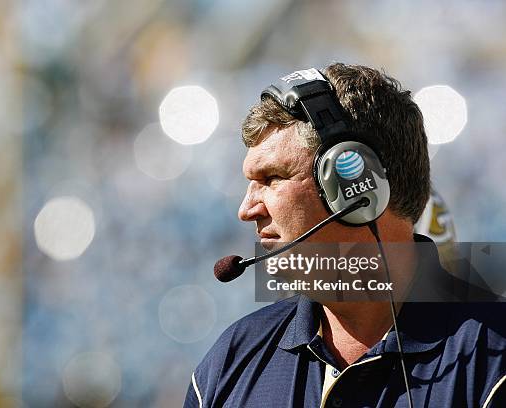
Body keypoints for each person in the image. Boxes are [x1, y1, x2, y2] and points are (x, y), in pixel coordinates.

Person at [184, 63, 505, 407]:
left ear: (355, 189)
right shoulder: (229, 362)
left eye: (271, 179)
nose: (247, 209)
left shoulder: (494, 363)